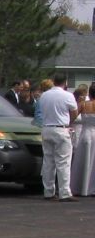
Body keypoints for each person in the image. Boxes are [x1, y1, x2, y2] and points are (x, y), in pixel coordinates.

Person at [38, 72, 79, 201]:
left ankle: (48, 191)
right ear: (65, 82)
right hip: (61, 128)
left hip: (46, 128)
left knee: (48, 161)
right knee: (63, 162)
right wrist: (69, 122)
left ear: (53, 81)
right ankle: (65, 192)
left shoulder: (44, 95)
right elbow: (74, 112)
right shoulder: (68, 95)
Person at [71, 93, 95, 196]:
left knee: (82, 160)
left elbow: (72, 117)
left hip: (85, 133)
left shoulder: (83, 104)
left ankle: (80, 187)